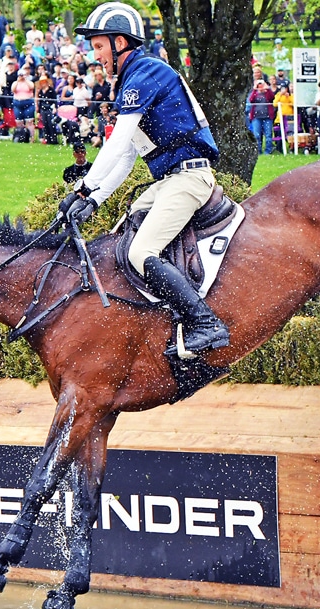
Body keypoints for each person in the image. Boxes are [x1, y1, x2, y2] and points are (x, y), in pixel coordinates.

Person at [59, 2, 227, 362]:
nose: (96, 55)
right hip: (168, 180)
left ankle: (204, 323)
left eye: (100, 46)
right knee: (123, 233)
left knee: (140, 252)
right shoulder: (132, 80)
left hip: (189, 178)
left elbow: (117, 143)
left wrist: (83, 188)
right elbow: (126, 156)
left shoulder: (145, 73)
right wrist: (94, 200)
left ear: (120, 42)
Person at [248, 79, 275, 154]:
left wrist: (267, 88)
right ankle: (258, 151)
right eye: (258, 84)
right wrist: (255, 89)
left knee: (268, 135)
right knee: (256, 135)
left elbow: (272, 98)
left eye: (261, 84)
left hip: (267, 117)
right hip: (256, 117)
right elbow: (251, 100)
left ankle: (268, 151)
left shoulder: (267, 93)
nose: (260, 86)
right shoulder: (255, 93)